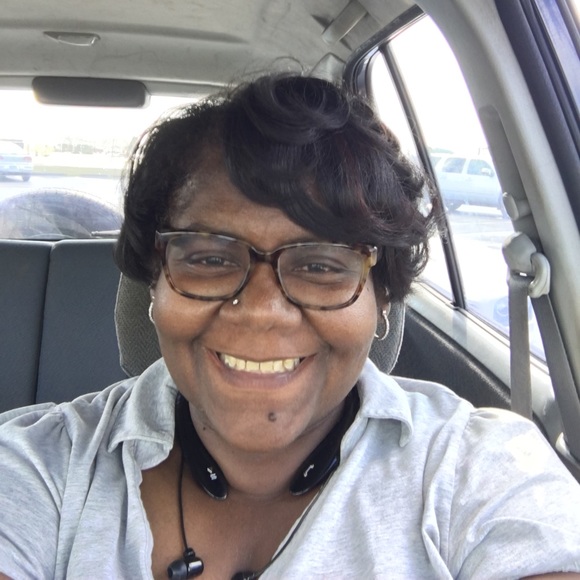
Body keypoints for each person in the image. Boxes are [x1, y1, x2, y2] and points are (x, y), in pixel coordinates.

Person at [1, 73, 580, 580]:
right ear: (153, 285)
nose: (262, 310)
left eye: (322, 265)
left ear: (381, 297)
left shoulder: (480, 468)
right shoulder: (38, 466)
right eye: (209, 258)